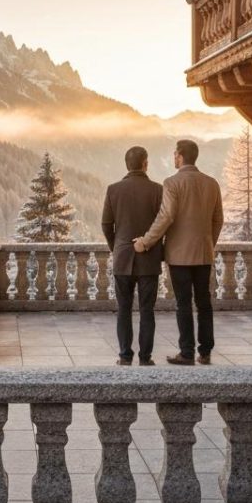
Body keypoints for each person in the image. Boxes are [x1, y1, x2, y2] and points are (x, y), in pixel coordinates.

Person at [133, 138, 223, 365]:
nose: (174, 157)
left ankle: (187, 352)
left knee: (183, 303)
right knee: (204, 302)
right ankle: (206, 351)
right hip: (204, 253)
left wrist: (146, 241)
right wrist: (208, 243)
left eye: (175, 154)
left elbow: (166, 217)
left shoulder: (172, 183)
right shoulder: (212, 183)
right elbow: (218, 220)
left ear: (181, 156)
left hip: (179, 255)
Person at [101, 145, 164, 365]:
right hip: (150, 258)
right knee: (147, 310)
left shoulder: (113, 189)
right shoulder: (157, 190)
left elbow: (106, 224)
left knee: (123, 309)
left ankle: (125, 356)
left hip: (122, 258)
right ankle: (146, 357)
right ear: (145, 163)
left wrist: (116, 246)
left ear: (126, 164)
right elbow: (163, 225)